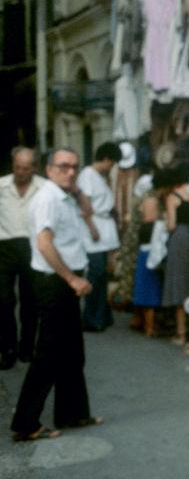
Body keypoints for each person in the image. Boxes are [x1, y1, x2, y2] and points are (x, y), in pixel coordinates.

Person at [10, 148, 102, 442]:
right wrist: (72, 278)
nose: (71, 171)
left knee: (72, 351)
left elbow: (85, 214)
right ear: (48, 170)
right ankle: (25, 423)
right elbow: (44, 243)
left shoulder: (64, 195)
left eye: (75, 166)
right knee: (48, 353)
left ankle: (73, 413)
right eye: (63, 166)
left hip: (64, 281)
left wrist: (77, 191)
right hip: (55, 282)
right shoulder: (48, 198)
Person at [0, 147, 44, 369]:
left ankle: (27, 346)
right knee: (3, 299)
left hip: (32, 246)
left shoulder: (44, 188)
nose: (20, 172)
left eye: (26, 168)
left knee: (31, 300)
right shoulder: (1, 186)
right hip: (4, 247)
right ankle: (8, 349)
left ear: (34, 168)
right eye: (17, 167)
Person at [77, 142, 122, 332]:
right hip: (93, 227)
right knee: (95, 273)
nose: (111, 167)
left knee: (102, 273)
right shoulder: (87, 174)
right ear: (106, 159)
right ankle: (91, 317)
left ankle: (102, 315)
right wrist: (92, 227)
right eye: (111, 163)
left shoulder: (100, 176)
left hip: (103, 226)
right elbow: (84, 202)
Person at [161, 163, 189, 345]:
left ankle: (182, 332)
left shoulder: (174, 196)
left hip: (181, 237)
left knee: (180, 281)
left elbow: (171, 225)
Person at [132, 168, 171, 337]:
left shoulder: (150, 198)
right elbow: (150, 225)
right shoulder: (152, 200)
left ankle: (142, 323)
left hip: (146, 247)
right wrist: (164, 217)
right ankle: (148, 326)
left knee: (146, 286)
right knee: (149, 287)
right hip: (150, 247)